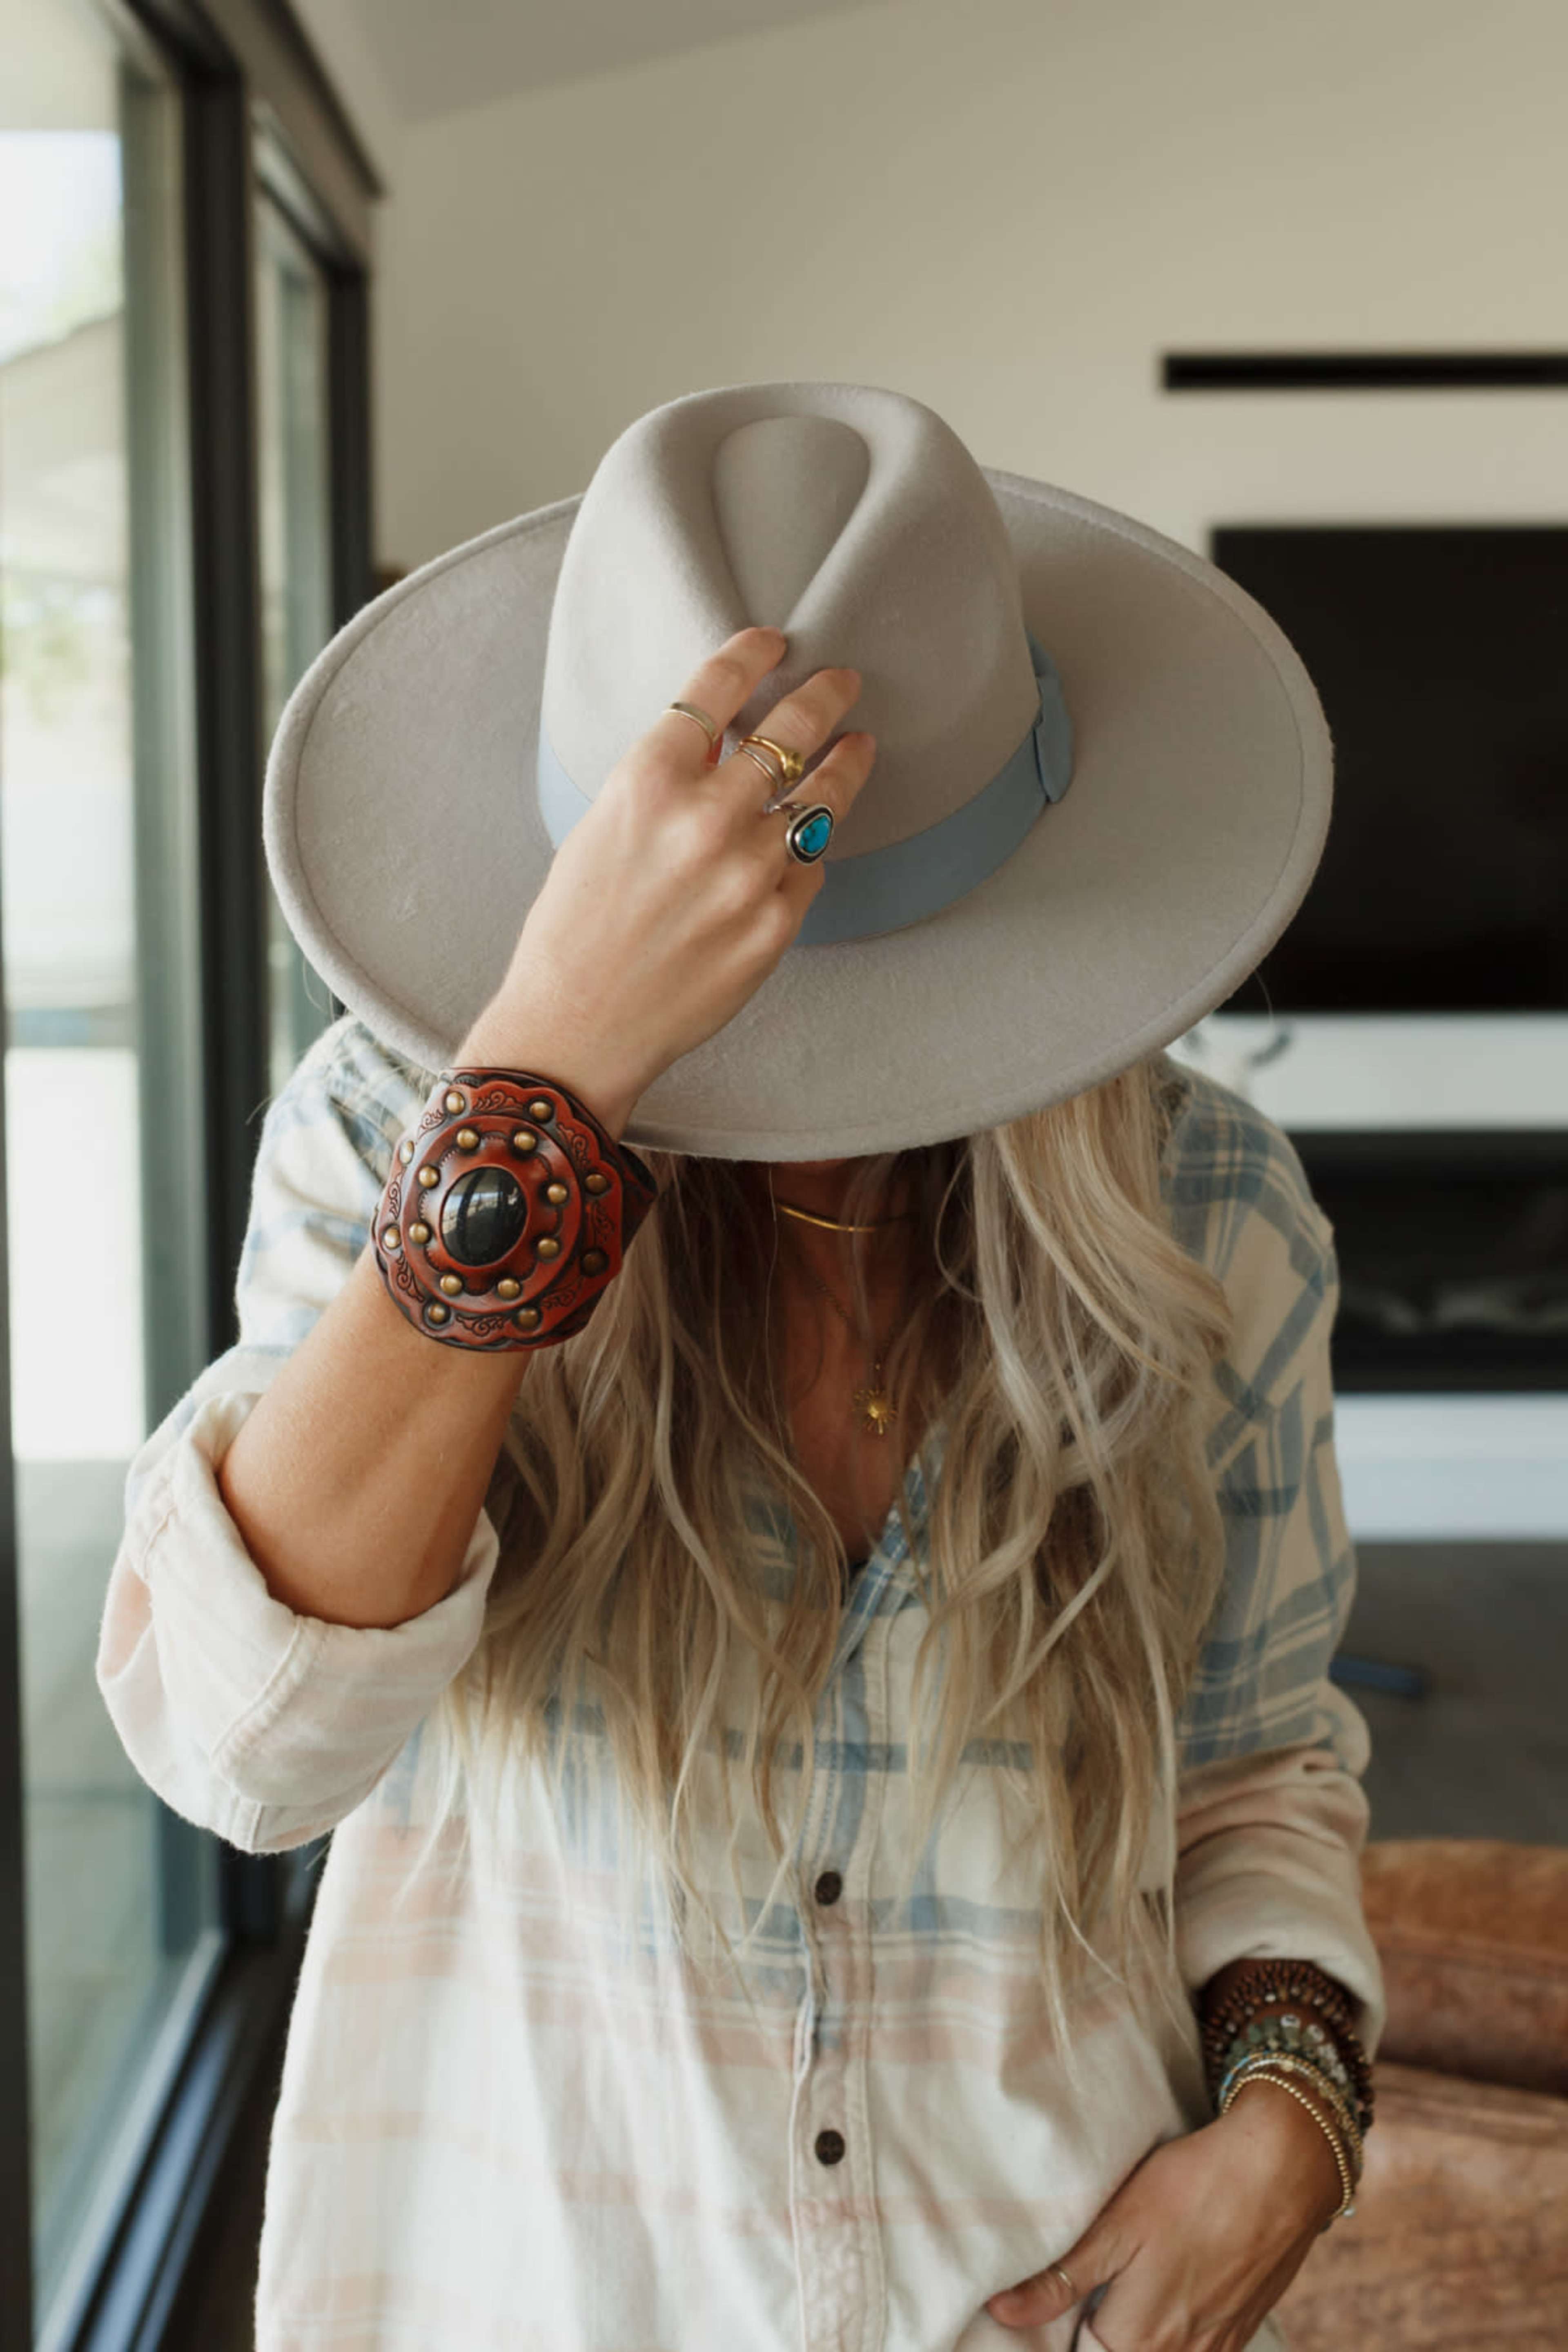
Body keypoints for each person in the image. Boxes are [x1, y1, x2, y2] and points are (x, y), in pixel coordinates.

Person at [97, 381, 1383, 2351]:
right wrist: (542, 1081)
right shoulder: (393, 1139)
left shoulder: (1209, 1206)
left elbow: (1256, 1761)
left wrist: (1296, 2108)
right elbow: (246, 1751)